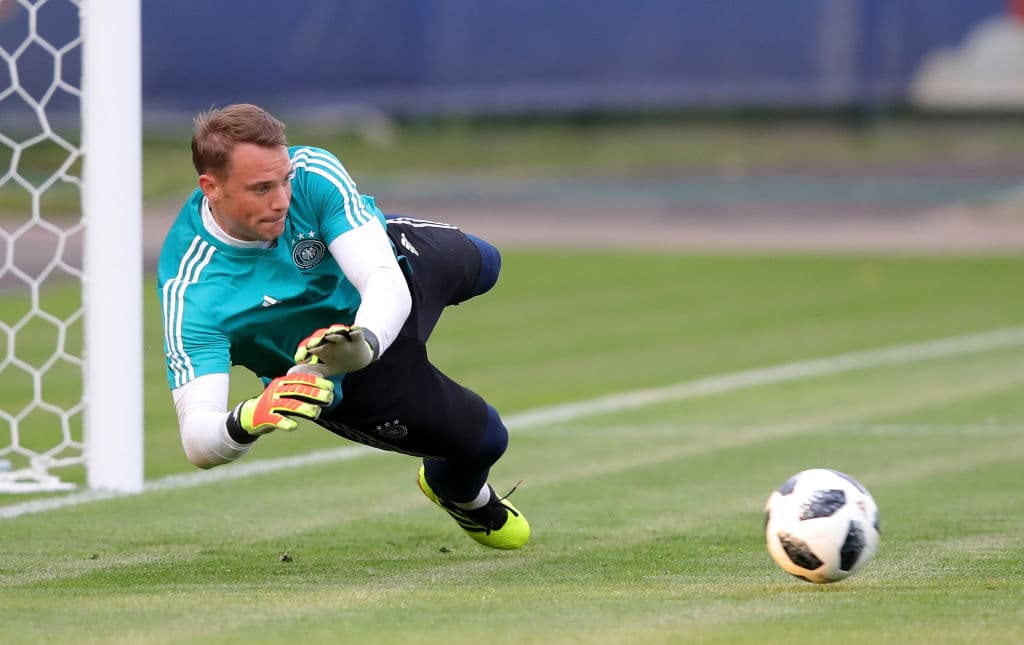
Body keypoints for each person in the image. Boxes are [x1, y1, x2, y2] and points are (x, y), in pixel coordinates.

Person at [157, 103, 528, 550]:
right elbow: (198, 440)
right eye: (261, 189)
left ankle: (360, 227)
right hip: (343, 375)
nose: (282, 200)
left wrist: (365, 340)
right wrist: (248, 418)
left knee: (487, 262)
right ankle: (460, 495)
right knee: (485, 439)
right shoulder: (193, 292)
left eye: (284, 180)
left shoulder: (312, 170)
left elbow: (384, 282)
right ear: (210, 187)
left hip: (390, 279)